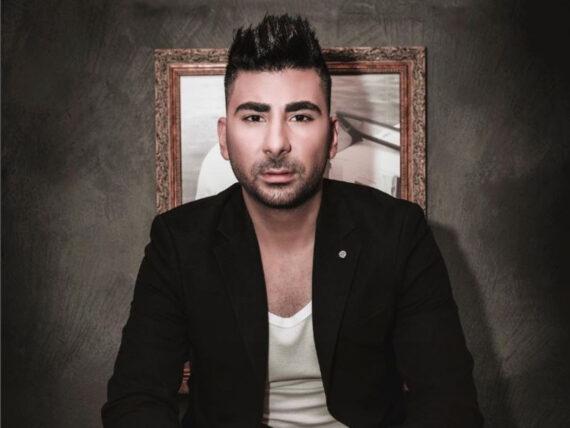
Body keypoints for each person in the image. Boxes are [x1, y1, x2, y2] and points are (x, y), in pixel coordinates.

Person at [102, 14, 483, 427]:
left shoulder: (397, 232)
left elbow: (448, 400)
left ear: (332, 136)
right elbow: (135, 400)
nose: (276, 143)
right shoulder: (179, 241)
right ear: (224, 137)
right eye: (254, 117)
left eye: (300, 116)